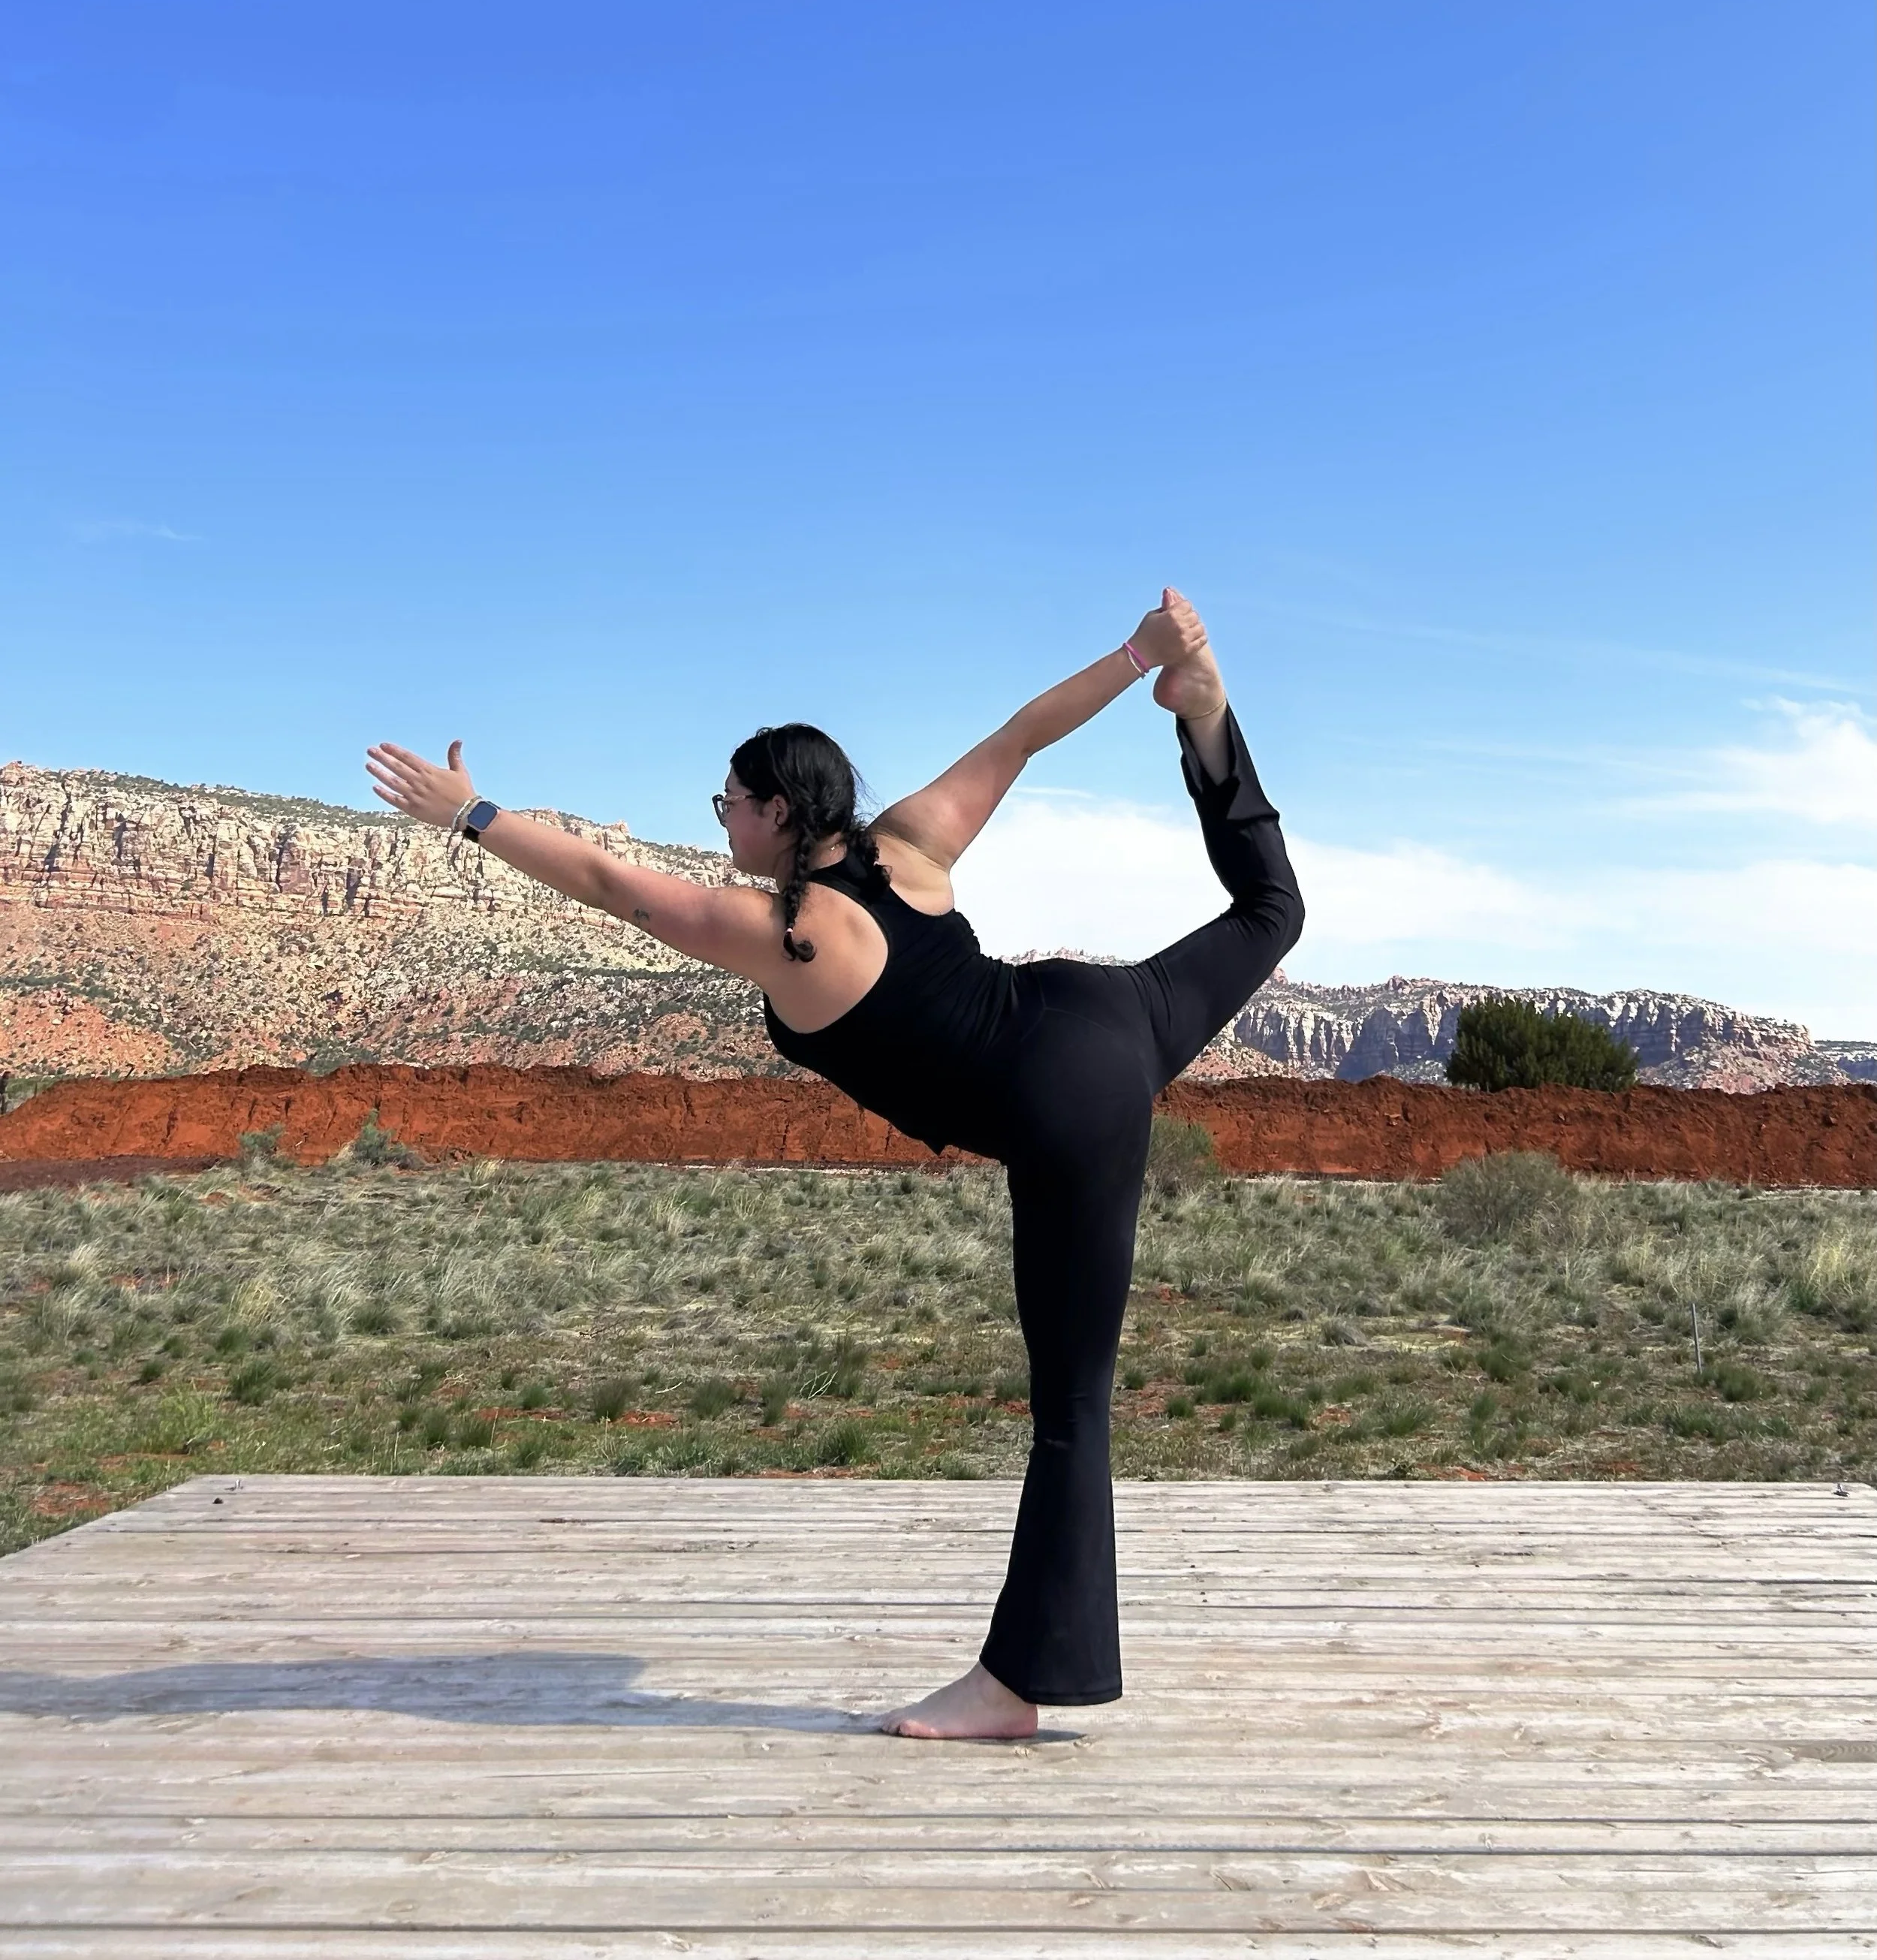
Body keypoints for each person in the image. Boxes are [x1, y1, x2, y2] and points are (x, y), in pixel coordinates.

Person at [366, 586, 1303, 1738]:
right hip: (1104, 1009)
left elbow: (613, 886)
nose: (720, 822)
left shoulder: (791, 930)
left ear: (771, 809)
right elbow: (1020, 736)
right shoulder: (910, 841)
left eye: (727, 803)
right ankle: (1203, 716)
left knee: (1073, 1406)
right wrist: (1136, 657)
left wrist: (473, 813)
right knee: (1271, 908)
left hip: (1069, 1100)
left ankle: (1013, 1689)